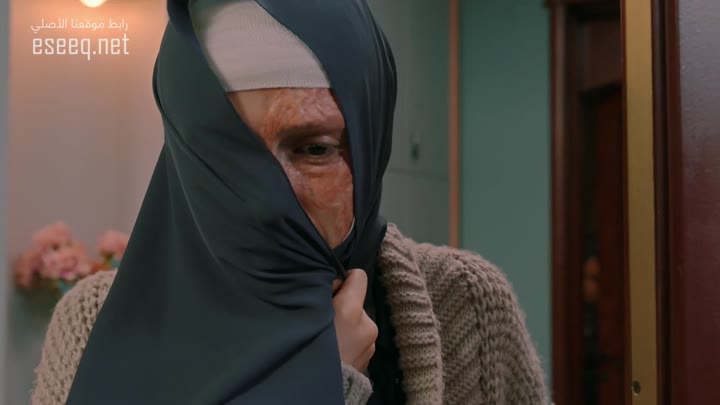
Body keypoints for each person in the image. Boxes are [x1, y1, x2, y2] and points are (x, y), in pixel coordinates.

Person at [31, 0, 547, 404]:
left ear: (371, 151)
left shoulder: (466, 304)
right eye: (231, 159)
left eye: (314, 149)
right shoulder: (90, 321)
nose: (266, 199)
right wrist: (321, 383)